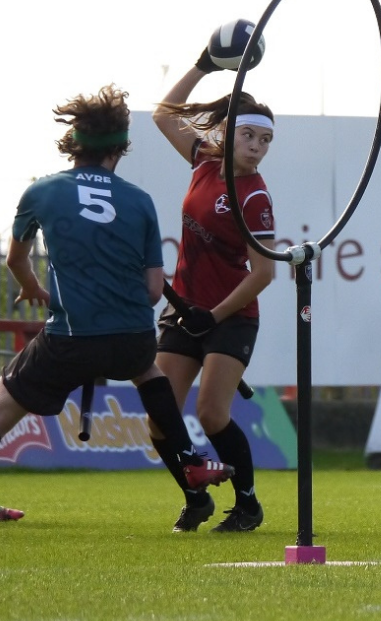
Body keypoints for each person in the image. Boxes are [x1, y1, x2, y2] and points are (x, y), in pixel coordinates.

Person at [0, 85, 234, 522]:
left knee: (4, 399)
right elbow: (154, 291)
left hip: (70, 338)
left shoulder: (42, 192)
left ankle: (191, 469)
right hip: (133, 338)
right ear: (120, 147)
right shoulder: (139, 200)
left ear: (74, 140)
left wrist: (32, 287)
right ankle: (191, 466)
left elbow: (16, 260)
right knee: (148, 371)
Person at [145, 44, 278, 533]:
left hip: (231, 318)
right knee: (159, 420)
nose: (257, 146)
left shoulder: (255, 196)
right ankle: (195, 498)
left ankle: (247, 505)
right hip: (184, 312)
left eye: (266, 140)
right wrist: (205, 63)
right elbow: (163, 114)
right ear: (226, 132)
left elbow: (263, 274)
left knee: (212, 413)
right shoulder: (203, 159)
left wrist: (214, 316)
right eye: (249, 135)